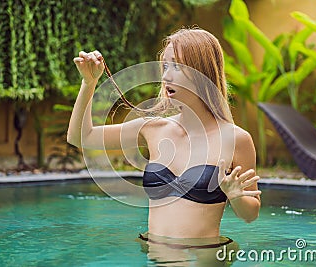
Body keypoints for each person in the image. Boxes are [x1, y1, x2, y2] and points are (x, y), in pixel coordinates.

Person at [67, 27, 261, 265]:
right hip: (155, 256)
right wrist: (89, 83)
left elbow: (250, 214)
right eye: (165, 66)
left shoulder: (236, 139)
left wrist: (236, 196)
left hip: (203, 259)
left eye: (176, 66)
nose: (166, 75)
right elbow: (81, 138)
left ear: (201, 72)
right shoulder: (153, 129)